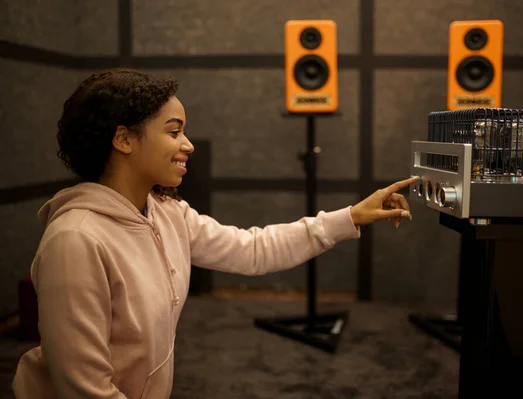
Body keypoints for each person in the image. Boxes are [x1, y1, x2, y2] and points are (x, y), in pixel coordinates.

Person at [12, 67, 418, 399]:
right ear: (123, 139)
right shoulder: (75, 240)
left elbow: (253, 249)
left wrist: (351, 216)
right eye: (173, 131)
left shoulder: (167, 213)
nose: (188, 144)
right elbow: (84, 389)